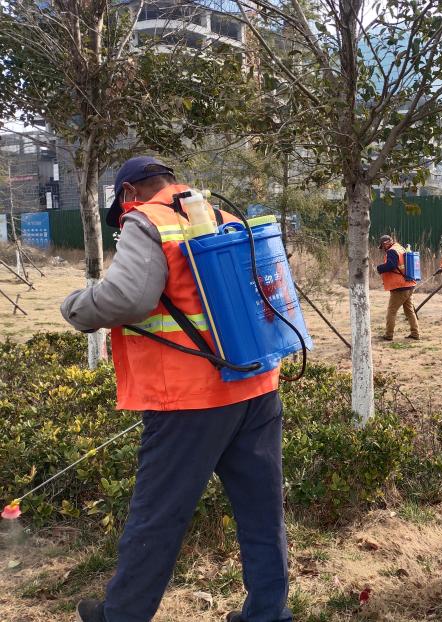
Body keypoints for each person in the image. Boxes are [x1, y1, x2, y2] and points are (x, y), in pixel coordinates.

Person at [61, 156, 291, 622]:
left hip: (190, 398)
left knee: (158, 514)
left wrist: (76, 307)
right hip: (255, 385)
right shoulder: (220, 215)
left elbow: (127, 298)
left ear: (128, 193)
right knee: (262, 512)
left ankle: (122, 615)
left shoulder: (147, 220)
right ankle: (268, 614)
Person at [376, 234, 420, 341]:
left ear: (386, 243)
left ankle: (388, 335)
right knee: (409, 311)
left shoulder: (392, 251)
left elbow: (391, 265)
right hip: (409, 284)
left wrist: (379, 268)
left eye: (383, 246)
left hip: (400, 287)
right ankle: (415, 333)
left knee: (391, 311)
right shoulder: (400, 248)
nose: (383, 249)